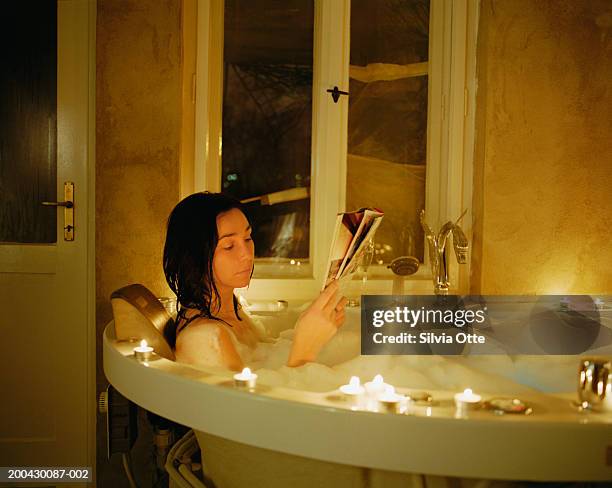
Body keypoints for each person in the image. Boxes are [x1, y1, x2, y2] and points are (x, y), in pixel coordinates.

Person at [163, 191, 347, 371]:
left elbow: (267, 367)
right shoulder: (204, 338)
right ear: (195, 257)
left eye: (247, 238)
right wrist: (305, 350)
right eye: (229, 246)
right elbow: (251, 402)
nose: (247, 254)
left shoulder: (231, 310)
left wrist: (308, 329)